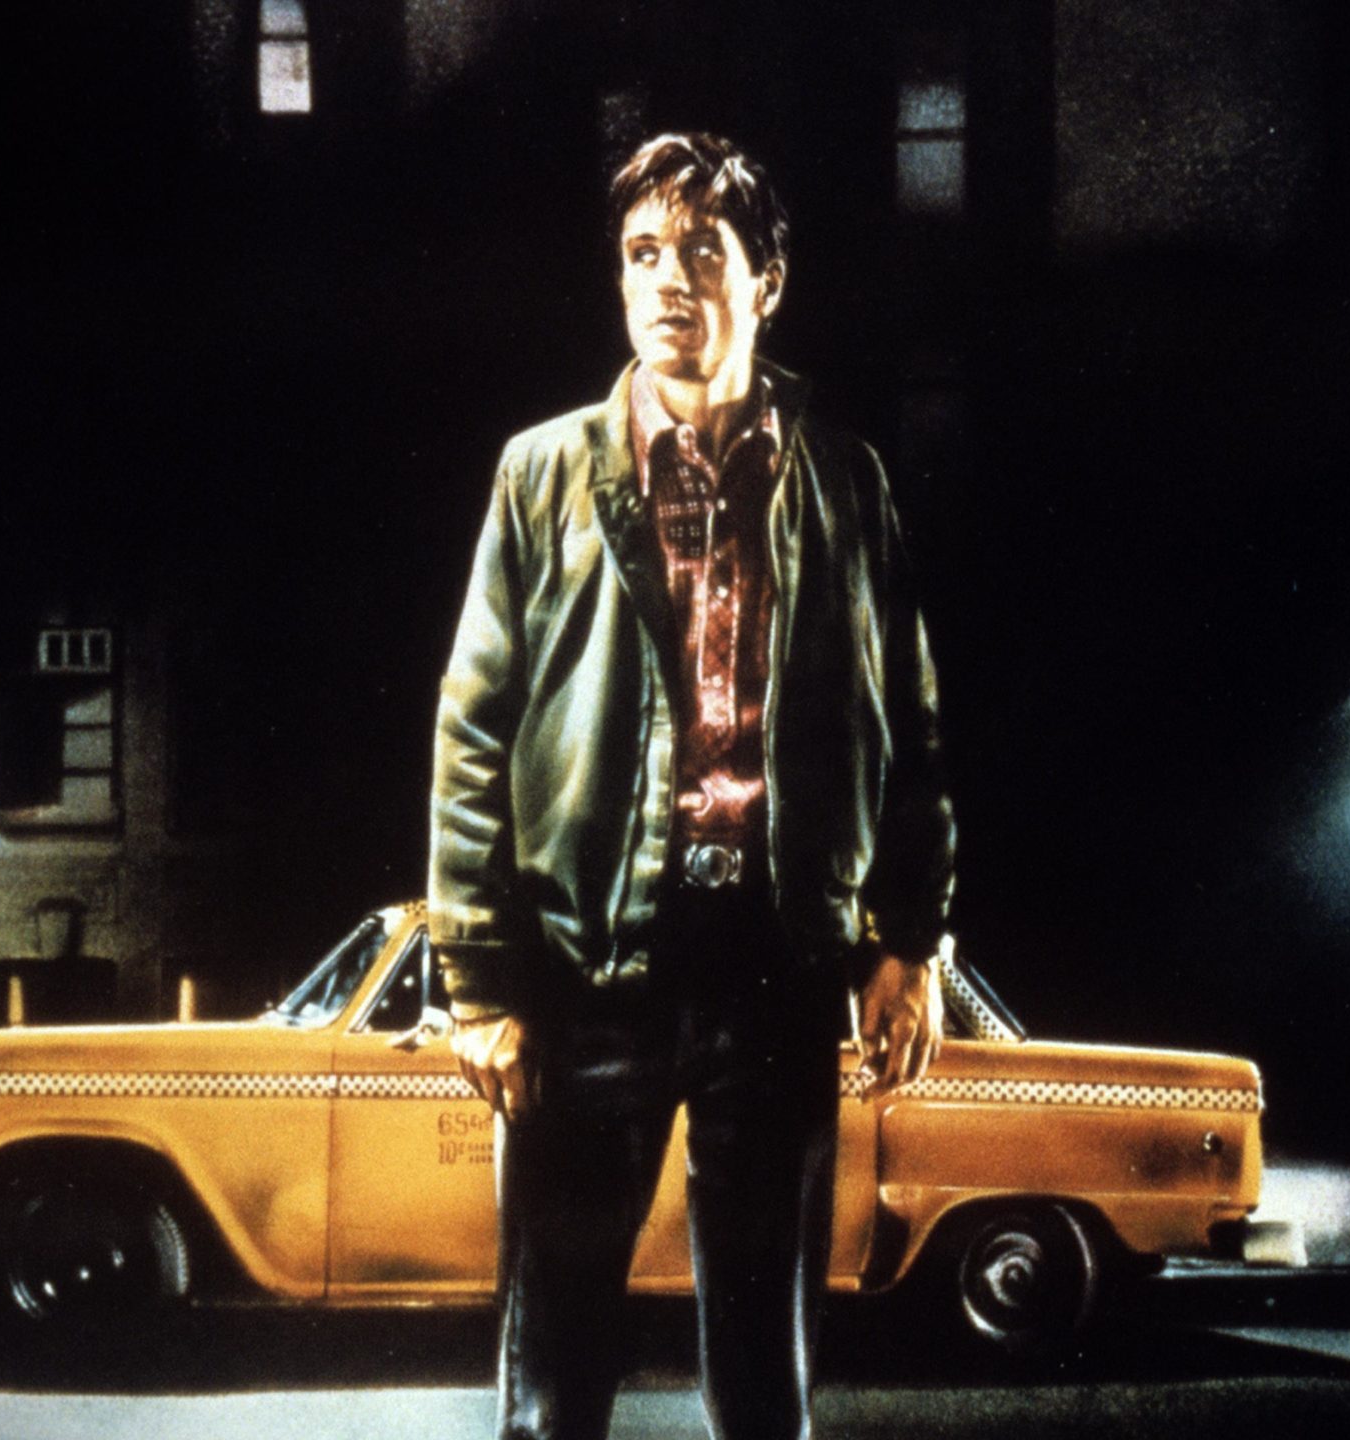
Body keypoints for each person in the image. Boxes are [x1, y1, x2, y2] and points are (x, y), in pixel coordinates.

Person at [427, 132, 957, 1440]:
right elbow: (472, 729)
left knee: (767, 1382)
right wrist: (481, 983)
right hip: (586, 963)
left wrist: (909, 942)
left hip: (776, 961)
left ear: (765, 278)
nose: (667, 280)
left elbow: (909, 727)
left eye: (700, 251)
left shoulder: (845, 480)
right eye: (641, 253)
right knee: (553, 1379)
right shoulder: (544, 473)